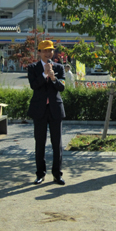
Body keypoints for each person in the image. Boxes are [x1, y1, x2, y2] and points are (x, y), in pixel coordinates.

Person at [27, 40, 66, 185]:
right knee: (40, 143)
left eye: (50, 50)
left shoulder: (59, 67)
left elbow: (61, 88)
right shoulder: (32, 68)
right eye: (44, 51)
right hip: (40, 111)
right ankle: (40, 174)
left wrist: (53, 77)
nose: (47, 53)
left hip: (55, 109)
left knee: (57, 144)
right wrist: (44, 75)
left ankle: (57, 174)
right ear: (39, 52)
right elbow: (34, 86)